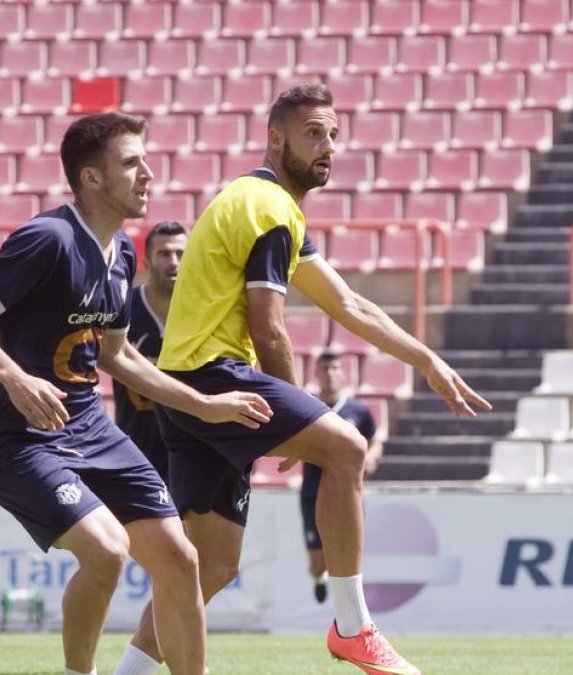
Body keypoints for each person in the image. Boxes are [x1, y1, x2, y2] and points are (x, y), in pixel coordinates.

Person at [116, 84, 490, 675]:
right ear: (276, 137)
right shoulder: (267, 209)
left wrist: (424, 357)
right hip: (214, 378)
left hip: (188, 390)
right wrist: (296, 409)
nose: (328, 147)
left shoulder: (264, 204)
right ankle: (353, 627)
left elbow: (349, 304)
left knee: (209, 566)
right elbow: (269, 328)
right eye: (314, 132)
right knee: (346, 447)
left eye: (333, 135)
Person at [0, 112, 272, 675]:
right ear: (92, 179)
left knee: (180, 558)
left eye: (145, 160)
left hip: (92, 429)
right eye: (132, 163)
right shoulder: (47, 239)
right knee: (107, 550)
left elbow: (118, 357)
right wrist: (14, 377)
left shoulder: (122, 252)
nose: (148, 173)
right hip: (21, 440)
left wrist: (205, 404)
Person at [301, 351, 384, 604]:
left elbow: (375, 438)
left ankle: (351, 604)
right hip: (313, 491)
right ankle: (319, 578)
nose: (330, 374)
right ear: (316, 373)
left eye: (335, 368)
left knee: (348, 551)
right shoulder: (308, 407)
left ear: (343, 372)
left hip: (348, 491)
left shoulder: (357, 409)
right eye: (324, 369)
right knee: (317, 562)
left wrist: (371, 455)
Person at [112, 220, 188, 480]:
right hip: (136, 454)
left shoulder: (205, 313)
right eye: (164, 253)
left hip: (193, 454)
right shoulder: (123, 307)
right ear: (146, 262)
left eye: (181, 253)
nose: (174, 262)